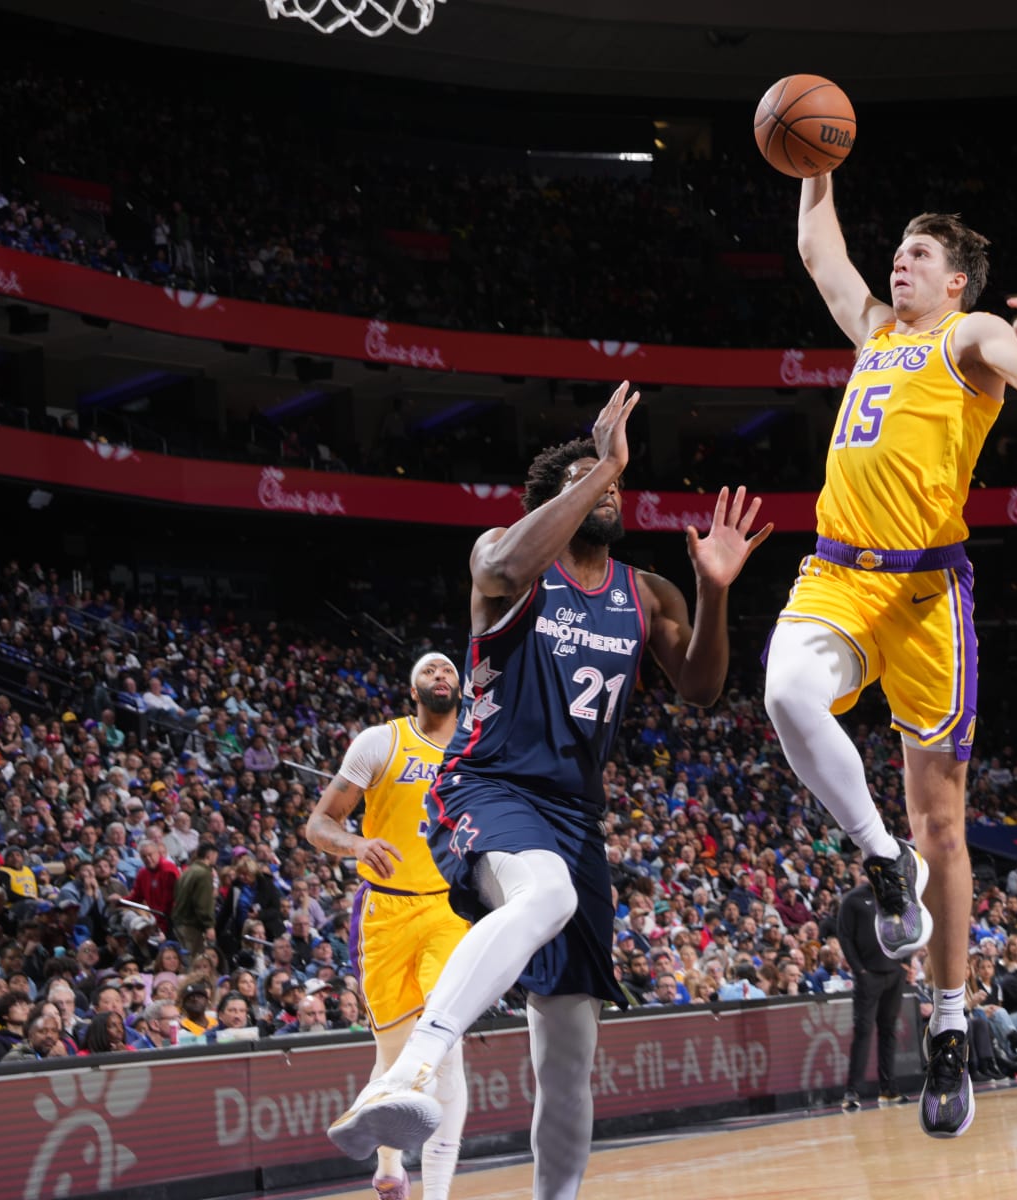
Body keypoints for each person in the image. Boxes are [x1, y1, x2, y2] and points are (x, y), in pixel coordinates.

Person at [328, 384, 769, 1200]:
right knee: (547, 891)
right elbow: (499, 563)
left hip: (575, 814)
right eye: (589, 480)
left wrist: (713, 589)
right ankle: (412, 1071)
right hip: (486, 784)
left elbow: (703, 688)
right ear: (555, 500)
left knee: (568, 1059)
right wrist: (596, 463)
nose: (609, 488)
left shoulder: (646, 593)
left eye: (615, 484)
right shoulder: (508, 561)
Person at [761, 167, 1017, 1140]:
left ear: (954, 285)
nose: (901, 258)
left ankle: (946, 1030)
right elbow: (820, 250)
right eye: (898, 246)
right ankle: (879, 861)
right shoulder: (874, 332)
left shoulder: (968, 336)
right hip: (838, 577)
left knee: (948, 828)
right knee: (784, 696)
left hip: (926, 596)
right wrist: (816, 169)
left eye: (922, 253)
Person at [309, 653, 471, 1200]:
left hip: (450, 909)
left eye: (448, 669)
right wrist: (357, 843)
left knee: (446, 1049)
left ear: (462, 685)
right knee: (395, 1055)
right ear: (413, 689)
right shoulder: (381, 742)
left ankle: (439, 1193)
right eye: (429, 671)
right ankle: (387, 1167)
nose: (440, 675)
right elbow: (319, 823)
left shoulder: (478, 743)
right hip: (385, 911)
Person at [836, 880, 906, 1110]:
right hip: (869, 974)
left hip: (894, 973)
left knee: (889, 1031)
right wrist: (860, 970)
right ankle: (853, 1090)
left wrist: (905, 960)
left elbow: (911, 926)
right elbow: (845, 936)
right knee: (863, 1031)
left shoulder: (895, 895)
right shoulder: (853, 899)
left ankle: (888, 1088)